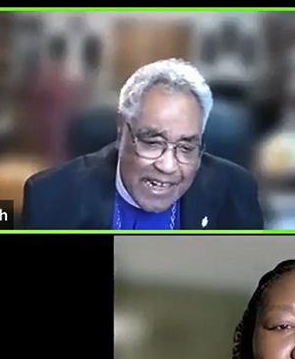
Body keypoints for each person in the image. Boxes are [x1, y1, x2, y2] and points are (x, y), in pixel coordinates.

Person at [20, 58, 264, 230]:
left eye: (186, 148)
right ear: (121, 129)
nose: (168, 166)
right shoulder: (51, 195)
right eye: (152, 142)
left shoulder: (237, 191)